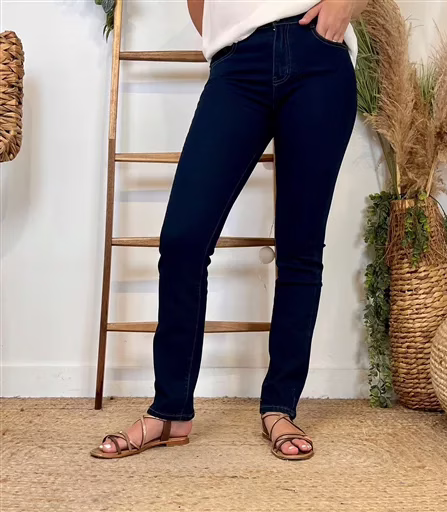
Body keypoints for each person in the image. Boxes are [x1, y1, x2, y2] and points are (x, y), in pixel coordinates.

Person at [91, 0, 367, 461]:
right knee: (182, 240)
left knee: (300, 246)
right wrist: (227, 31)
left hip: (319, 55)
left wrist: (343, 6)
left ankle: (280, 407)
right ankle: (170, 410)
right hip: (237, 66)